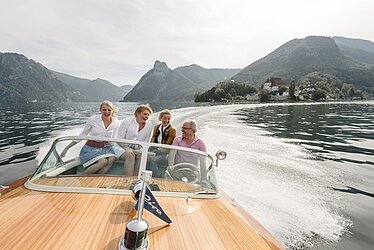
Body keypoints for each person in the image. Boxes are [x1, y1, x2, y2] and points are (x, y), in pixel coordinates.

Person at [60, 100, 120, 174]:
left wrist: (125, 148)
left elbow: (114, 138)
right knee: (103, 161)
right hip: (91, 148)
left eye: (109, 110)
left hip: (106, 148)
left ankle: (97, 180)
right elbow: (83, 134)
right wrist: (67, 147)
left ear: (112, 111)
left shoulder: (116, 122)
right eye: (104, 109)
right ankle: (82, 178)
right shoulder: (93, 119)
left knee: (112, 159)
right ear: (100, 110)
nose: (106, 112)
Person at [115, 104, 153, 175]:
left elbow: (146, 141)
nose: (146, 116)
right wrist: (126, 148)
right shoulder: (127, 121)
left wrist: (139, 150)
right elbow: (119, 139)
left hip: (137, 149)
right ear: (138, 113)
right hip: (121, 147)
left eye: (148, 115)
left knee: (141, 156)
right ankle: (128, 179)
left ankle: (136, 179)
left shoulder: (149, 125)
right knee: (130, 155)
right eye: (145, 114)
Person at [148, 109, 177, 177]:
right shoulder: (156, 127)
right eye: (165, 118)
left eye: (168, 119)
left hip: (166, 154)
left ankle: (155, 178)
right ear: (161, 118)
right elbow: (153, 138)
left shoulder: (172, 130)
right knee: (145, 156)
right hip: (155, 150)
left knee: (153, 160)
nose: (167, 120)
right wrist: (148, 148)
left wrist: (156, 151)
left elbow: (167, 146)